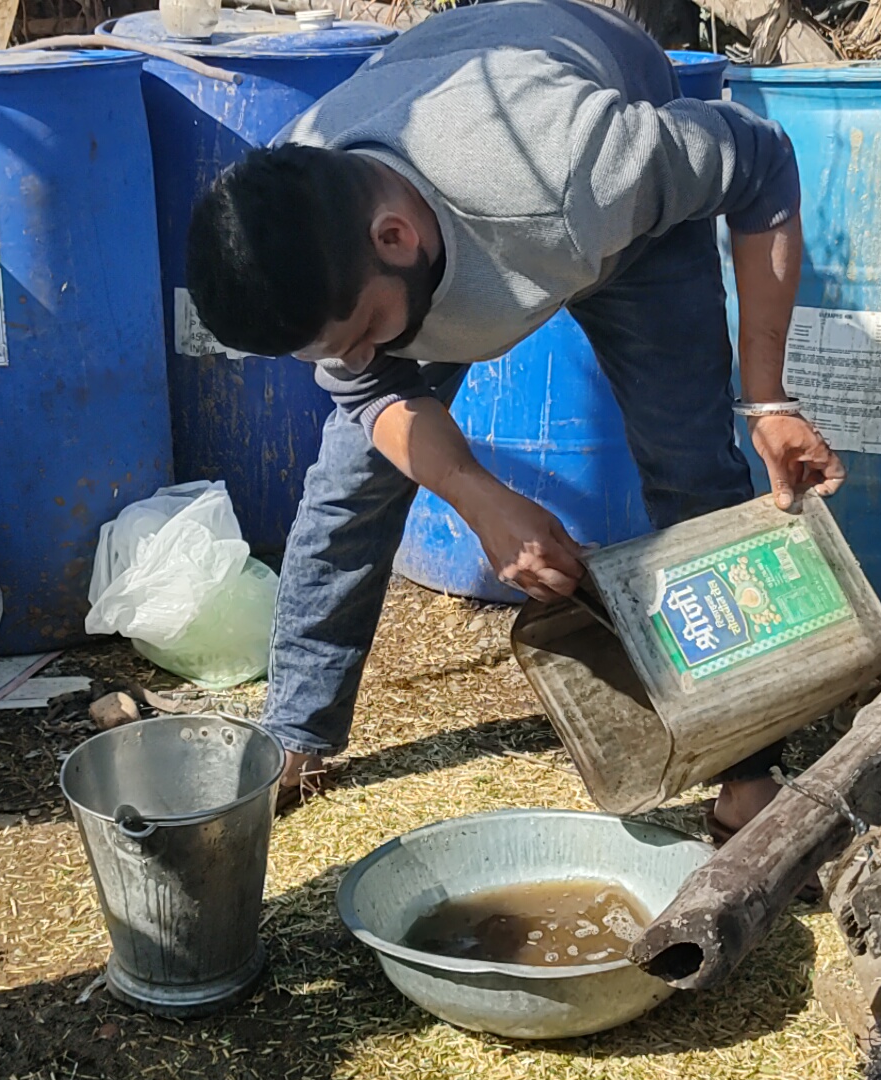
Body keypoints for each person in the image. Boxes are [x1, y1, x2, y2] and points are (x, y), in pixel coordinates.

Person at [184, 0, 844, 831]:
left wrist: (769, 397)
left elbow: (758, 161)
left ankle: (748, 772)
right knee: (350, 483)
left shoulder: (584, 167)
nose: (358, 357)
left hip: (600, 198)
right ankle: (296, 732)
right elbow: (370, 393)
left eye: (364, 333)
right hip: (455, 160)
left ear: (394, 235)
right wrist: (476, 495)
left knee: (690, 470)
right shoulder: (301, 197)